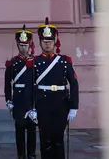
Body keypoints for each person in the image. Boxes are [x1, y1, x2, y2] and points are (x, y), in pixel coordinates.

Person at [32, 19, 78, 159]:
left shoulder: (64, 61)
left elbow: (74, 83)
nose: (47, 44)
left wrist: (73, 107)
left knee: (58, 140)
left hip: (60, 104)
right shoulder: (34, 62)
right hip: (43, 105)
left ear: (55, 41)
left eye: (50, 41)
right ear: (40, 42)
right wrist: (31, 107)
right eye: (44, 41)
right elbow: (30, 87)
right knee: (45, 140)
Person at [3, 25, 37, 159]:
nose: (23, 48)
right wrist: (9, 100)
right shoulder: (12, 63)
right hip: (18, 101)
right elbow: (7, 84)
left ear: (30, 45)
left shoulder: (35, 62)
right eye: (21, 45)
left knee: (32, 129)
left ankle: (32, 154)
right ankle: (21, 155)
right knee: (19, 130)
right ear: (17, 45)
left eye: (26, 45)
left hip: (32, 100)